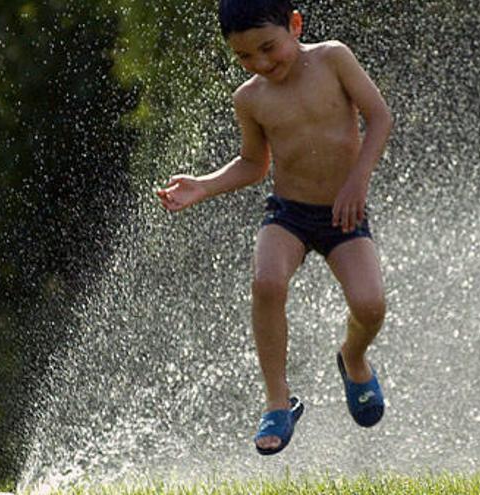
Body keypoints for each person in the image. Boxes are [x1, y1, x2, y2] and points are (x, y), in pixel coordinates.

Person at [157, 0, 392, 455]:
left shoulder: (333, 59)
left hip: (344, 214)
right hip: (288, 214)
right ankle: (278, 401)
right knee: (266, 282)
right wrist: (202, 186)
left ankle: (354, 358)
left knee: (371, 304)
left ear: (295, 25)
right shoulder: (250, 98)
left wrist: (357, 183)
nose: (261, 64)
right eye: (245, 57)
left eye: (269, 48)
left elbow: (379, 117)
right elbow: (253, 163)